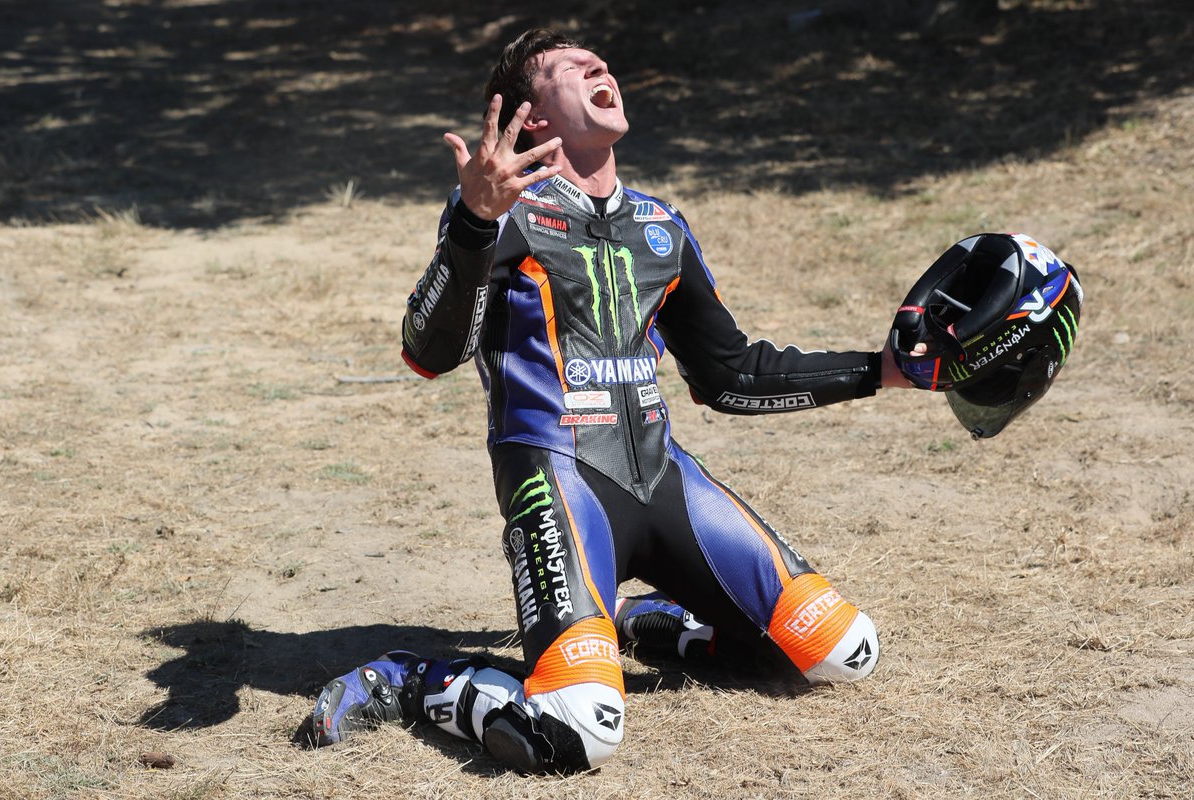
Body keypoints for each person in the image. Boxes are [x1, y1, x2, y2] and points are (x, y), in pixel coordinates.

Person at [311, 27, 920, 774]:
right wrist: (472, 224)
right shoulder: (501, 210)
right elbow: (427, 353)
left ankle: (655, 628)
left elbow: (730, 374)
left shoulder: (661, 227)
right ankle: (414, 678)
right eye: (573, 68)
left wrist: (883, 369)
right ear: (533, 120)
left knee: (845, 653)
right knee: (580, 732)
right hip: (558, 479)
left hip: (665, 483)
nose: (601, 67)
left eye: (601, 62)